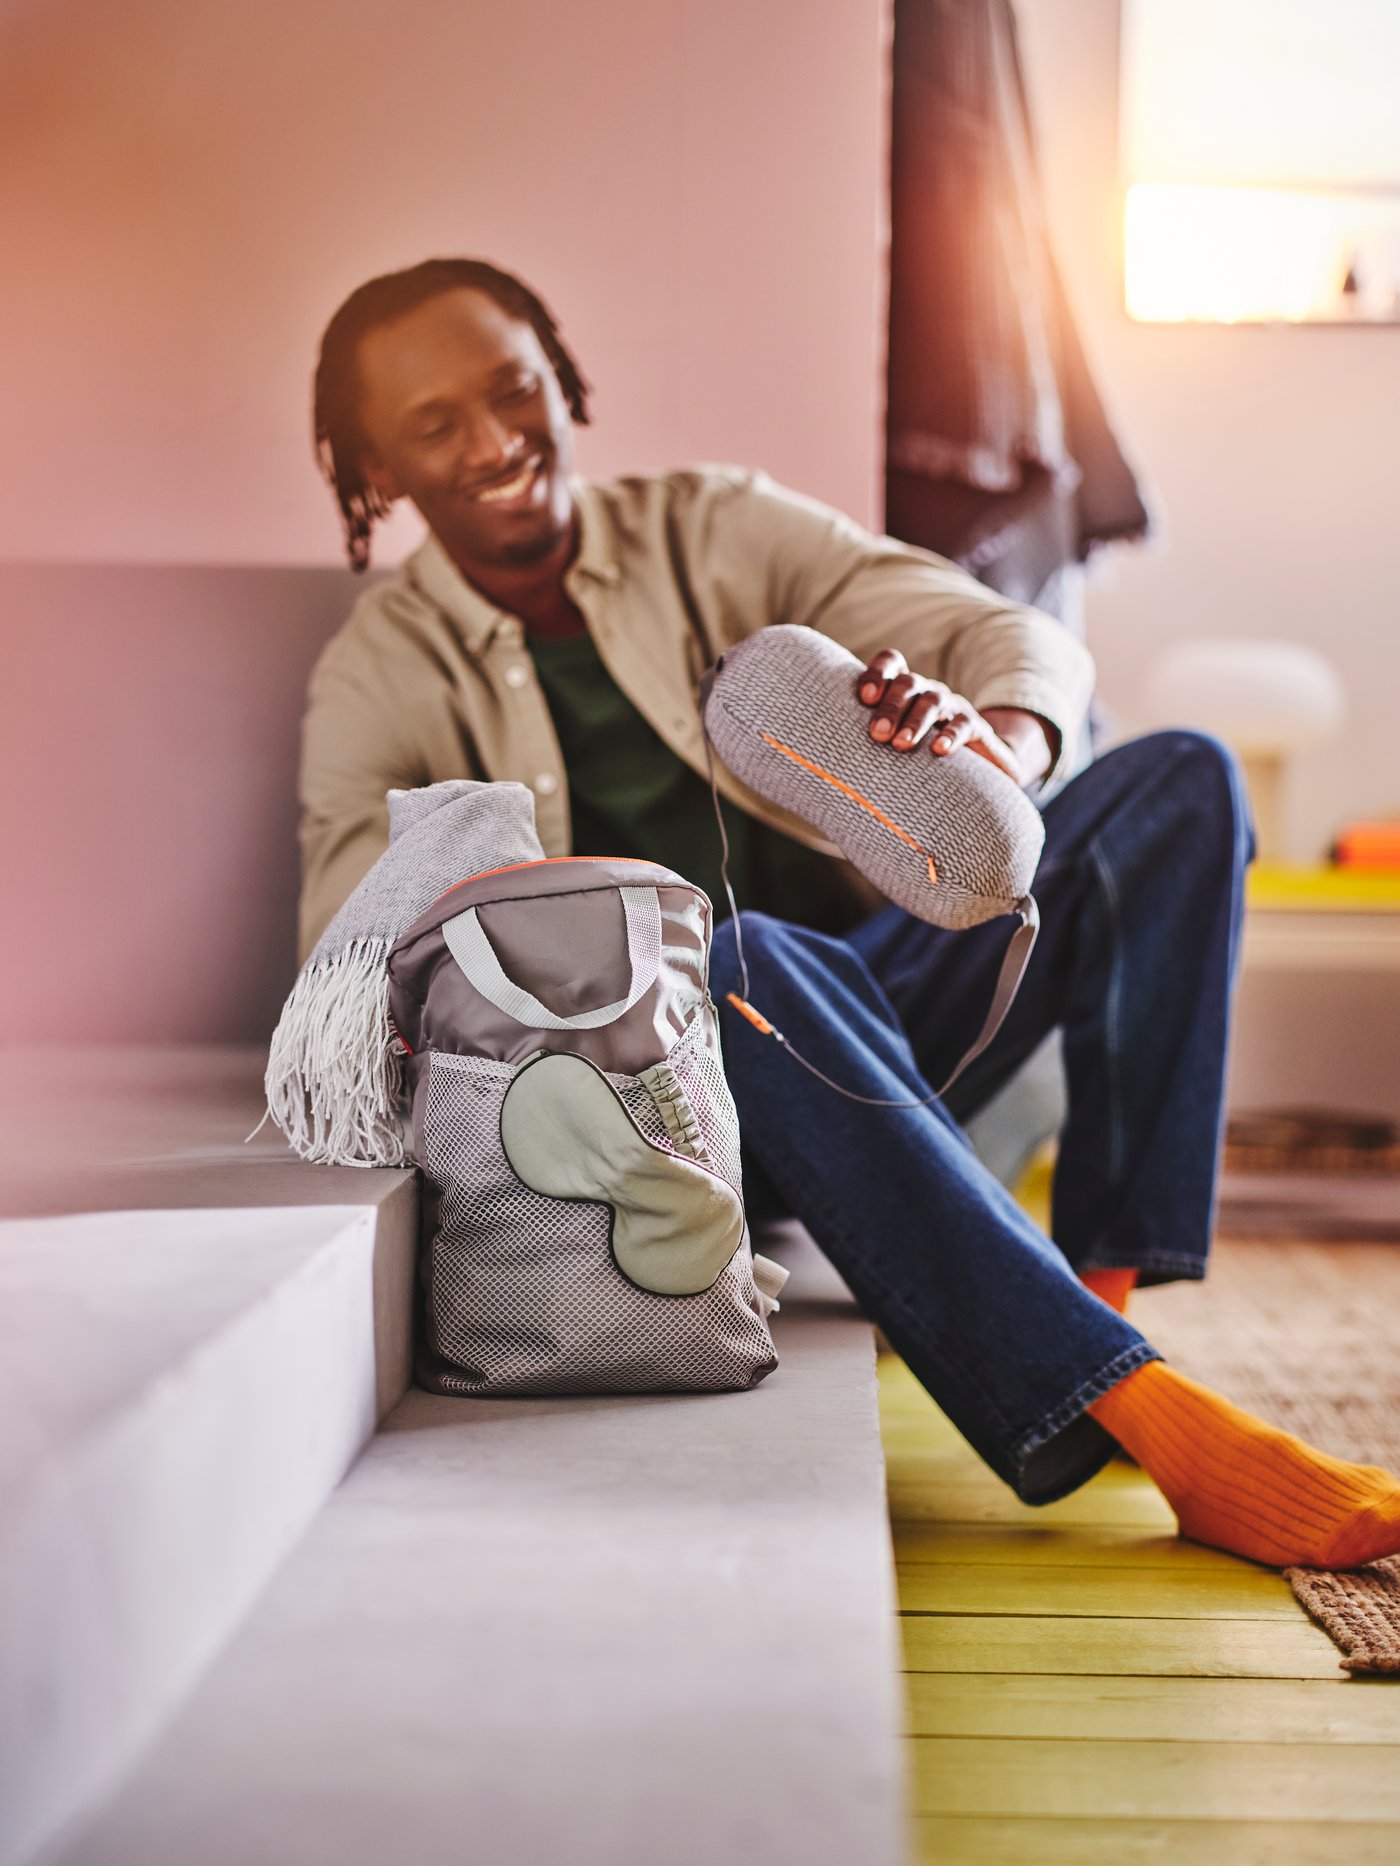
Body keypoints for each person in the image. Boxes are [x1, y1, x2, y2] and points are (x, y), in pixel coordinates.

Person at [298, 257, 1400, 1570]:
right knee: (739, 954)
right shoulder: (379, 670)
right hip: (656, 1116)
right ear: (379, 472)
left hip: (869, 1013)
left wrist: (986, 743)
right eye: (436, 425)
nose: (494, 439)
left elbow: (1001, 631)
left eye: (514, 388)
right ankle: (1136, 1405)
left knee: (1183, 783)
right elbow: (345, 966)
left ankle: (1095, 1298)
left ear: (561, 380)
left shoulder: (706, 528)